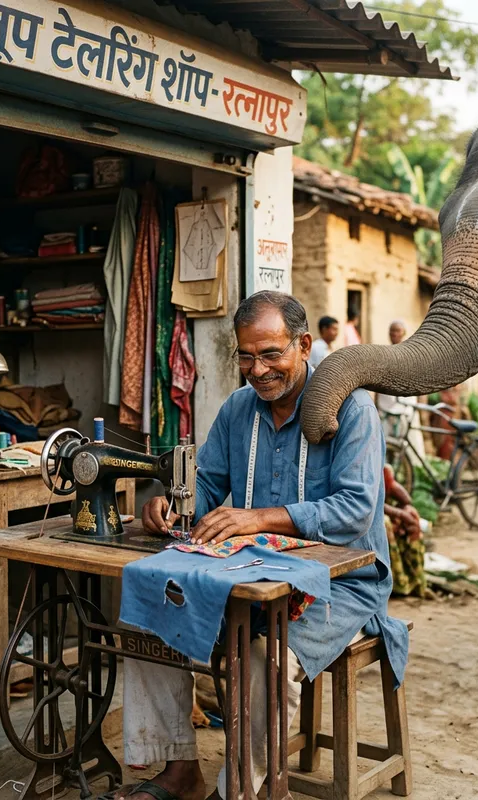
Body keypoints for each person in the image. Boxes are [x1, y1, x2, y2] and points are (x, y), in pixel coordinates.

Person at [124, 291, 408, 800]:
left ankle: (237, 790)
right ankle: (178, 769)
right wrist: (172, 508)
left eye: (271, 354)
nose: (257, 370)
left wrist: (258, 517)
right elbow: (206, 486)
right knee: (149, 614)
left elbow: (354, 512)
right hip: (254, 575)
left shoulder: (352, 408)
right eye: (246, 356)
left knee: (266, 655)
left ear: (303, 345)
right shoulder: (239, 410)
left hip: (341, 587)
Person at [376, 321, 426, 458]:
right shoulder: (383, 354)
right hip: (385, 409)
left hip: (405, 409)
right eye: (392, 331)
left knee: (408, 447)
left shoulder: (411, 355)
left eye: (397, 331)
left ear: (403, 333)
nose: (394, 334)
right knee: (384, 446)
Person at [383, 463, 426, 597]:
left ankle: (417, 579)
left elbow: (406, 499)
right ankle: (397, 583)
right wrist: (399, 514)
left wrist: (405, 510)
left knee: (412, 515)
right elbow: (369, 502)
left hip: (382, 512)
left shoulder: (382, 469)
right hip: (364, 517)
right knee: (386, 523)